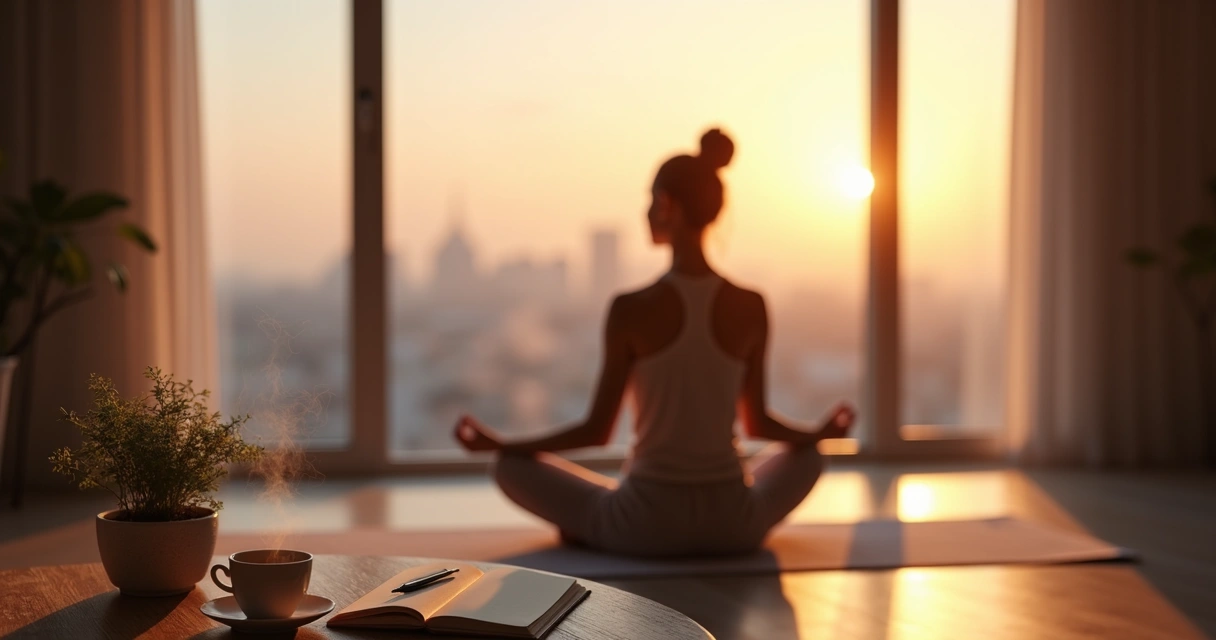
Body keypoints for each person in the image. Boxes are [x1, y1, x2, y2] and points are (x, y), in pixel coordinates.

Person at [454, 128, 856, 557]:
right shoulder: (752, 305)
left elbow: (597, 430)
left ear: (668, 206)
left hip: (641, 526)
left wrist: (502, 445)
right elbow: (758, 424)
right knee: (810, 456)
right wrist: (819, 433)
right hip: (734, 524)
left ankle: (590, 529)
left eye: (650, 200)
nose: (645, 211)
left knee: (509, 469)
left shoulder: (630, 308)